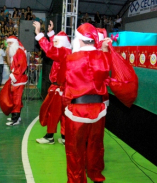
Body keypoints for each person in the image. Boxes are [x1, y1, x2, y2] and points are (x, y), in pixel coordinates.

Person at [57, 23, 138, 183]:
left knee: (74, 151)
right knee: (95, 145)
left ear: (79, 40)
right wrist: (106, 49)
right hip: (99, 111)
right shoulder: (103, 57)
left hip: (77, 113)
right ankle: (95, 174)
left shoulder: (70, 59)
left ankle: (76, 180)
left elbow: (61, 80)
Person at [33, 21, 72, 145]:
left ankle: (49, 136)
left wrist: (39, 34)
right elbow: (54, 48)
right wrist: (51, 34)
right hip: (64, 88)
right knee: (63, 114)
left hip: (58, 88)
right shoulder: (65, 51)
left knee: (51, 112)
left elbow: (50, 50)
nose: (53, 44)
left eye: (56, 41)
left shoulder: (62, 52)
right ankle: (65, 137)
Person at [0, 36, 28, 126]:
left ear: (14, 43)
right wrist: (7, 54)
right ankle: (16, 116)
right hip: (16, 78)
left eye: (10, 43)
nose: (9, 45)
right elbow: (9, 65)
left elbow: (22, 66)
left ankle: (15, 119)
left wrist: (14, 76)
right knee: (15, 98)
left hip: (18, 79)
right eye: (8, 43)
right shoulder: (14, 53)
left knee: (16, 99)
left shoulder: (19, 52)